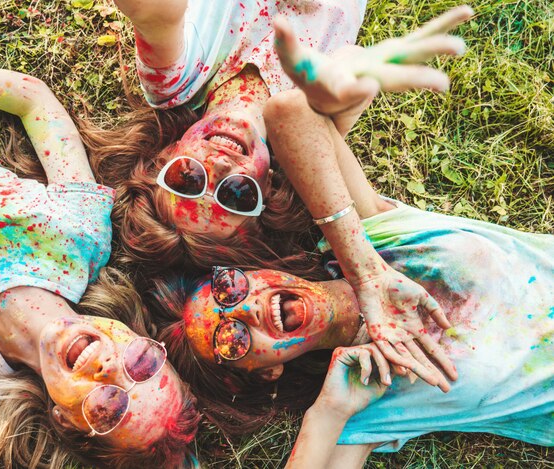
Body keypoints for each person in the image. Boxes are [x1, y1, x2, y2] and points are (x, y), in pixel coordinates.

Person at [144, 67, 554, 463]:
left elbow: (289, 111)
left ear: (257, 271)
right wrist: (328, 414)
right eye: (232, 339)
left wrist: (367, 273)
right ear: (264, 373)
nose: (247, 308)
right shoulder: (367, 397)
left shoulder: (377, 239)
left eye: (229, 287)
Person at [0, 63, 198, 468]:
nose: (110, 368)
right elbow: (34, 101)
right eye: (142, 364)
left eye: (109, 407)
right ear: (137, 335)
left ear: (64, 420)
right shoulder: (81, 237)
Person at [104, 0, 468, 274]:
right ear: (268, 193)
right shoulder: (309, 134)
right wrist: (344, 81)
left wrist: (151, 14)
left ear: (163, 156)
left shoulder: (173, 83)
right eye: (237, 194)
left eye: (188, 177)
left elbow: (156, 16)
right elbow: (344, 79)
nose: (219, 165)